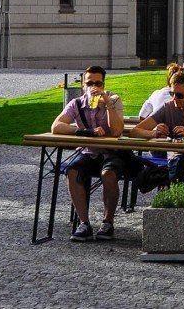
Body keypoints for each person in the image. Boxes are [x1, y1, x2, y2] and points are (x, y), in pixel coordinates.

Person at [51, 65, 126, 242]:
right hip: (87, 151)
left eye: (98, 83)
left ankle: (108, 222)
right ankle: (84, 223)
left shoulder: (113, 100)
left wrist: (107, 104)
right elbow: (56, 126)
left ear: (104, 84)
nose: (94, 87)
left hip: (110, 152)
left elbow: (116, 131)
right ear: (84, 85)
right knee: (72, 171)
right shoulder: (77, 103)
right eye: (90, 83)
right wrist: (82, 132)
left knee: (108, 174)